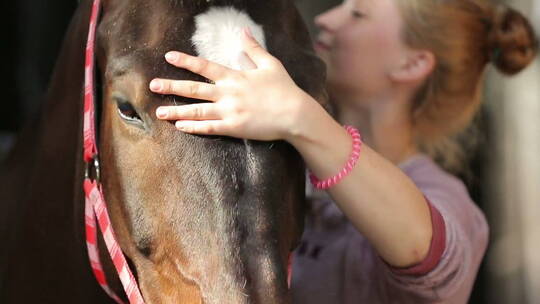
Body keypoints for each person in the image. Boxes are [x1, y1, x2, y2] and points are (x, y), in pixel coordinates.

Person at [148, 0, 538, 302]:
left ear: (412, 63)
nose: (327, 19)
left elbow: (428, 252)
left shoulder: (451, 202)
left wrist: (298, 114)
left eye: (358, 14)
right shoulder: (282, 155)